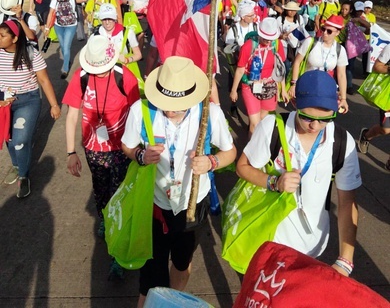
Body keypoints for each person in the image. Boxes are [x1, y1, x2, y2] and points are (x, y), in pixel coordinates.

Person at [121, 56, 236, 306]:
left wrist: (211, 162)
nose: (170, 109)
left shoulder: (209, 113)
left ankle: (170, 302)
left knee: (182, 263)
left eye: (179, 105)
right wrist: (141, 155)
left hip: (193, 205)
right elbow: (127, 146)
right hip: (154, 204)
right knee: (150, 276)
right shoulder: (140, 110)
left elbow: (230, 152)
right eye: (165, 103)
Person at [236, 70, 361, 272]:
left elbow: (347, 201)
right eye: (306, 117)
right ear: (295, 104)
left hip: (314, 245)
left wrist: (345, 261)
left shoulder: (342, 142)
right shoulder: (272, 127)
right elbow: (242, 167)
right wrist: (274, 182)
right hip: (270, 241)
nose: (315, 125)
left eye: (325, 119)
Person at [63, 35, 140, 240]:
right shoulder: (81, 78)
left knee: (119, 191)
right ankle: (105, 219)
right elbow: (71, 116)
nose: (101, 73)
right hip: (93, 148)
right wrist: (71, 152)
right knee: (100, 188)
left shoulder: (124, 77)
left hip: (122, 148)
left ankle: (119, 234)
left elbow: (137, 114)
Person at [0, 20, 61, 198]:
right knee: (8, 137)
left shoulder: (30, 53)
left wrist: (54, 105)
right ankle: (17, 164)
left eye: (2, 36)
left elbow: (43, 80)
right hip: (4, 103)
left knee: (21, 140)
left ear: (15, 38)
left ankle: (23, 175)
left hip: (27, 100)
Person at [230, 17, 288, 135]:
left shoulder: (277, 45)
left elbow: (279, 69)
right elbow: (240, 69)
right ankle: (251, 151)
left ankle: (255, 142)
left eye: (271, 38)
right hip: (250, 86)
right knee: (255, 124)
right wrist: (234, 90)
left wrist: (283, 90)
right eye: (266, 38)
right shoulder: (249, 46)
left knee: (262, 121)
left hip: (269, 86)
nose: (268, 41)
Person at [289, 15, 349, 114]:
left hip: (325, 88)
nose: (324, 33)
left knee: (322, 115)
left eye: (329, 31)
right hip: (307, 85)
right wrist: (294, 84)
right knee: (304, 115)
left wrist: (343, 98)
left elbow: (342, 75)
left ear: (337, 33)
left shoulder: (340, 50)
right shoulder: (310, 42)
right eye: (323, 29)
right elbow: (297, 62)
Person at [358, 42, 390, 170]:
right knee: (386, 130)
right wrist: (388, 69)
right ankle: (366, 135)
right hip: (388, 96)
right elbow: (376, 67)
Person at [44, 0, 87, 79]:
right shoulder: (55, 1)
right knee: (63, 46)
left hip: (71, 26)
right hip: (58, 26)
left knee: (66, 47)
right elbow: (51, 14)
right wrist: (47, 28)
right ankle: (67, 61)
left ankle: (65, 69)